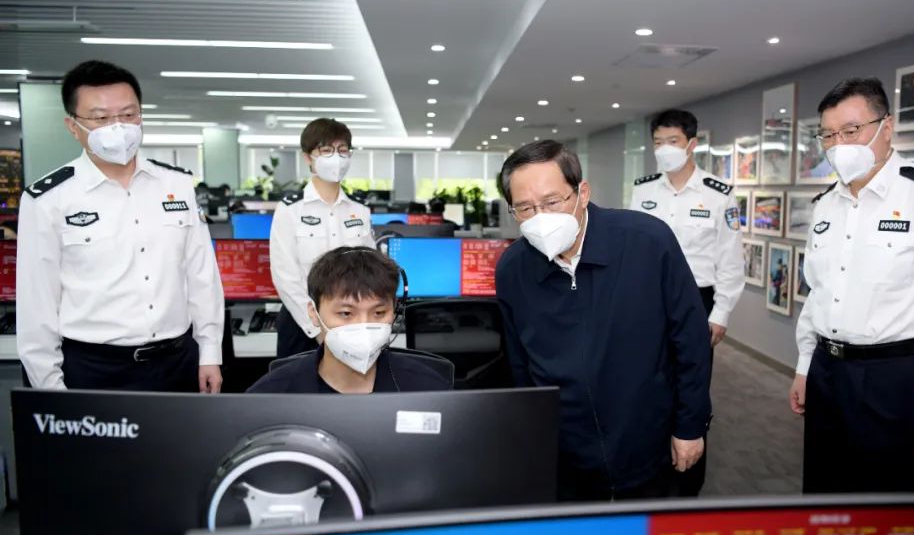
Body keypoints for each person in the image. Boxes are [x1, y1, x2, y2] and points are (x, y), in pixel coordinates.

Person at [789, 77, 914, 493]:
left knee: (888, 500)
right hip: (827, 371)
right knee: (822, 493)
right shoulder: (827, 204)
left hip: (894, 377)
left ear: (887, 127)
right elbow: (817, 293)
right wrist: (806, 366)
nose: (839, 144)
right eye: (828, 135)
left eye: (851, 130)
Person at [494, 140, 712, 501]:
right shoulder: (513, 268)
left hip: (649, 439)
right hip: (568, 450)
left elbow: (691, 341)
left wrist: (690, 425)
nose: (540, 217)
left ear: (582, 193)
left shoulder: (646, 241)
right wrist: (534, 438)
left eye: (552, 202)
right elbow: (519, 364)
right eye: (525, 208)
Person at [17, 60, 224, 392]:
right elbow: (36, 304)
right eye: (101, 118)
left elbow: (201, 276)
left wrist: (209, 352)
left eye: (128, 114)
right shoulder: (48, 199)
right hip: (93, 368)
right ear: (73, 126)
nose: (118, 127)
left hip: (177, 361)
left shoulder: (177, 185)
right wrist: (50, 387)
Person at [630, 109, 744, 496]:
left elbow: (731, 261)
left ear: (692, 144)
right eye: (658, 142)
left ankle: (689, 479)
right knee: (649, 381)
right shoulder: (644, 191)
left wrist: (721, 313)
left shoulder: (718, 194)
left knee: (691, 387)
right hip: (649, 301)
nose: (664, 149)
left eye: (673, 141)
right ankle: (652, 465)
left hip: (698, 301)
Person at [249, 246, 448, 394]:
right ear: (313, 313)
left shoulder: (429, 388)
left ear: (394, 311)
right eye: (346, 313)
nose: (363, 326)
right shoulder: (271, 395)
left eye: (379, 313)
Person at [269, 118, 375, 359]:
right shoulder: (291, 209)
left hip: (352, 322)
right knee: (299, 383)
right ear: (308, 157)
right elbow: (285, 276)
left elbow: (370, 269)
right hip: (301, 325)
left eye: (342, 150)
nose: (336, 158)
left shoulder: (360, 209)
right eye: (326, 150)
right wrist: (317, 329)